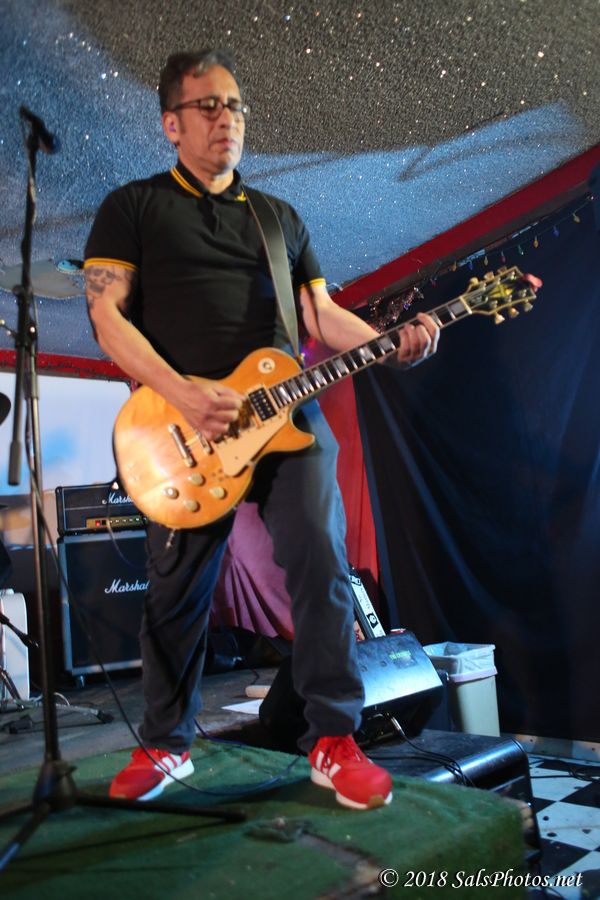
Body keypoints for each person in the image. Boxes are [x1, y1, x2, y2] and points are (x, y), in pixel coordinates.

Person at [84, 48, 440, 811]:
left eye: (236, 105)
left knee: (322, 563)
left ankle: (334, 740)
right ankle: (166, 743)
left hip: (286, 416)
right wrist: (181, 393)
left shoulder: (278, 219)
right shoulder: (133, 208)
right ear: (171, 123)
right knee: (177, 592)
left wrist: (392, 341)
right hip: (182, 426)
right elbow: (105, 316)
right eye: (209, 105)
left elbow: (319, 316)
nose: (228, 119)